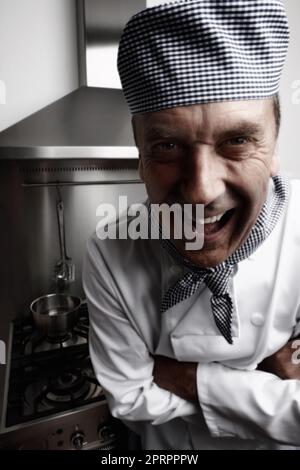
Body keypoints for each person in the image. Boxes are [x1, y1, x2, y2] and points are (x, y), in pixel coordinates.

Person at [83, 0, 300, 450]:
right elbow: (129, 399)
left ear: (275, 143)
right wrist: (260, 376)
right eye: (167, 146)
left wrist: (182, 376)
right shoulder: (111, 248)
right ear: (140, 153)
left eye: (237, 140)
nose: (201, 190)